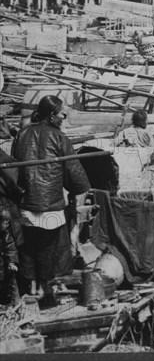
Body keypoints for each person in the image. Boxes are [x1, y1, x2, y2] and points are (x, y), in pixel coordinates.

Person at [12, 95, 90, 298]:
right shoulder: (59, 137)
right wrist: (77, 190)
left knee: (29, 249)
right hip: (51, 206)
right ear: (51, 115)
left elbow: (15, 169)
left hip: (26, 204)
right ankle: (46, 293)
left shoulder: (22, 134)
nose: (64, 117)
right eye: (61, 114)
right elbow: (75, 174)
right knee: (50, 250)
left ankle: (30, 291)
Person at [0, 209, 20, 307]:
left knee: (10, 281)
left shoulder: (5, 233)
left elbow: (10, 246)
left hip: (3, 267)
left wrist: (12, 262)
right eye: (5, 223)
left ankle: (12, 304)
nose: (7, 225)